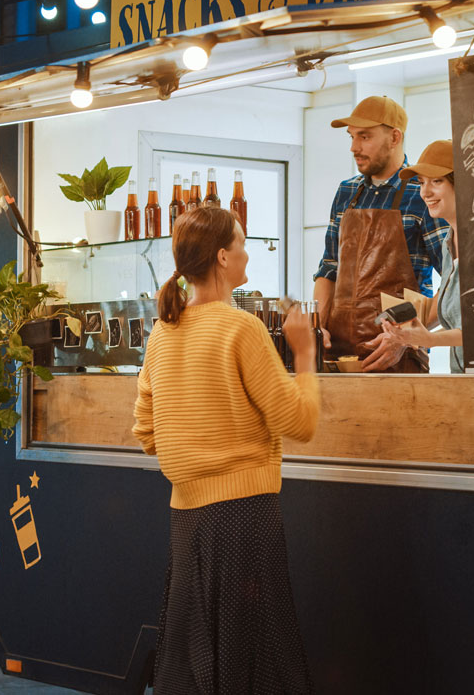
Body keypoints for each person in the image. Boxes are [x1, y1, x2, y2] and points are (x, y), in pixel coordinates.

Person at [133, 206, 320, 695]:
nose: (247, 251)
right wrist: (303, 355)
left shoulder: (161, 333)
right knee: (253, 653)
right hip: (246, 514)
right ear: (222, 256)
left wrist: (192, 449)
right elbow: (299, 422)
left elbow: (146, 431)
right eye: (241, 242)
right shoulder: (242, 328)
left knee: (195, 653)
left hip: (187, 517)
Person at [313, 95, 448, 372]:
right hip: (338, 356)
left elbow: (455, 284)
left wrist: (405, 337)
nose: (354, 147)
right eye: (351, 137)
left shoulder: (423, 194)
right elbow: (328, 270)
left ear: (395, 137)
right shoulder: (346, 192)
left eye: (364, 137)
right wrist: (316, 326)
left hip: (397, 358)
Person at [363, 140, 465, 373]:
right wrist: (406, 334)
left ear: (463, 183)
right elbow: (454, 316)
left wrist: (428, 339)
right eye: (421, 183)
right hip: (464, 379)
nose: (425, 193)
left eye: (436, 181)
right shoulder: (449, 242)